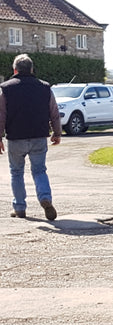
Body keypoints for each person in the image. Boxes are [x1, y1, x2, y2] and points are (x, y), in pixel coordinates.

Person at [0, 54, 61, 220]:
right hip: (38, 136)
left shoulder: (5, 88)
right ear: (32, 69)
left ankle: (19, 208)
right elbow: (54, 112)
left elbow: (1, 115)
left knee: (16, 172)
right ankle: (45, 198)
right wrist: (57, 132)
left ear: (15, 70)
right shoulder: (45, 87)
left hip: (15, 137)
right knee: (40, 170)